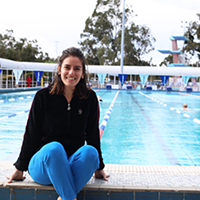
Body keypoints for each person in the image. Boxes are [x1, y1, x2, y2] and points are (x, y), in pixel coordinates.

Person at [7, 47, 109, 200]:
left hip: (72, 164)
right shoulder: (43, 96)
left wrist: (99, 166)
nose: (71, 73)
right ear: (60, 70)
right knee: (55, 148)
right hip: (43, 165)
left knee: (90, 152)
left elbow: (93, 134)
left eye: (77, 69)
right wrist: (20, 168)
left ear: (82, 74)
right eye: (67, 67)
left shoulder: (89, 98)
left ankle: (66, 196)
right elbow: (31, 133)